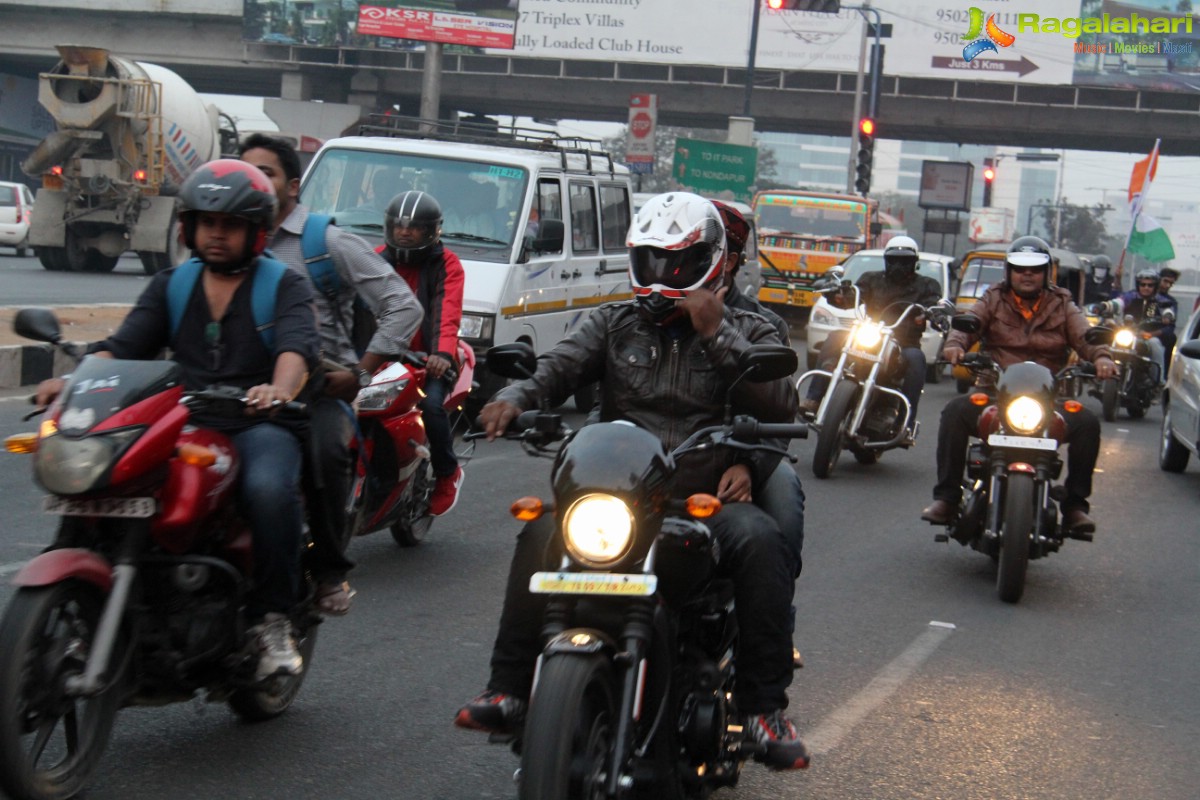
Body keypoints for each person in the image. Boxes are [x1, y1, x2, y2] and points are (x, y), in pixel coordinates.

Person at [454, 191, 810, 771]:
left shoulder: (752, 327)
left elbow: (777, 403)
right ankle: (509, 688)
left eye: (678, 261)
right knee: (540, 531)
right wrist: (517, 397)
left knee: (762, 542)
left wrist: (717, 332)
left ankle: (765, 710)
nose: (664, 274)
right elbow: (558, 366)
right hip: (620, 497)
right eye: (651, 260)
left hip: (702, 501)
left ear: (711, 260)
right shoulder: (614, 323)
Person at [36, 160, 321, 679]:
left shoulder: (284, 286)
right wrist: (74, 382)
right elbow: (122, 348)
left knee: (267, 489)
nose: (216, 233)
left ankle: (272, 618)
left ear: (256, 233)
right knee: (107, 477)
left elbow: (297, 350)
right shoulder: (172, 284)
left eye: (230, 224)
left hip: (257, 422)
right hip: (183, 419)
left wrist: (277, 390)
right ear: (188, 226)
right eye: (206, 221)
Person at [240, 133, 424, 617]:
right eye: (247, 172)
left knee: (324, 453)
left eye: (268, 173)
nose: (256, 182)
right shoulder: (226, 241)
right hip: (234, 386)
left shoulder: (327, 242)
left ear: (293, 186)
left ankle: (326, 569)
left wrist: (360, 373)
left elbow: (403, 306)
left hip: (317, 389)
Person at [920, 236, 1117, 535]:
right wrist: (955, 345)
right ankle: (947, 498)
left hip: (1049, 397)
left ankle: (1075, 507)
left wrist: (1102, 358)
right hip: (994, 391)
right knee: (954, 413)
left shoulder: (1063, 304)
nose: (1028, 274)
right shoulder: (993, 298)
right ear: (1009, 271)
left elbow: (1085, 336)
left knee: (1088, 422)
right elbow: (970, 322)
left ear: (1046, 272)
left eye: (1035, 269)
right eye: (1020, 269)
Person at [377, 190, 468, 516]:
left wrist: (441, 355)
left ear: (431, 231)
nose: (404, 232)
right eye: (399, 225)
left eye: (413, 227)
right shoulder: (375, 260)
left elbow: (448, 312)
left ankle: (447, 473)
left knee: (431, 407)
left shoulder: (448, 264)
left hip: (429, 360)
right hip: (381, 356)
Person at [801, 235, 943, 436]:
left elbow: (934, 304)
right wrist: (837, 294)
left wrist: (932, 313)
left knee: (916, 359)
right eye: (894, 260)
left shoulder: (927, 285)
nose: (898, 265)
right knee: (836, 337)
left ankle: (906, 421)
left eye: (904, 261)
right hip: (871, 333)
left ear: (914, 262)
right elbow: (852, 296)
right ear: (887, 260)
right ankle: (813, 399)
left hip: (904, 342)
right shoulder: (871, 278)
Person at [1104, 267, 1174, 385]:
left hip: (1147, 336)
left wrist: (1167, 316)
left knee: (1155, 344)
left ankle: (1158, 382)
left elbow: (1168, 310)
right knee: (1105, 338)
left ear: (1155, 287)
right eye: (1143, 284)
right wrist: (1105, 306)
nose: (1146, 288)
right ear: (1138, 285)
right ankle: (1098, 372)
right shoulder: (1130, 296)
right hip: (1126, 332)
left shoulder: (1161, 301)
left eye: (1150, 285)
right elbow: (1118, 302)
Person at [1158, 266, 1181, 365]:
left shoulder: (1171, 302)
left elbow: (1170, 325)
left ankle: (1163, 375)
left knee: (1171, 338)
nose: (1167, 285)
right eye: (1165, 281)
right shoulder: (1137, 295)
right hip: (1136, 331)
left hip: (1157, 334)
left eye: (1170, 283)